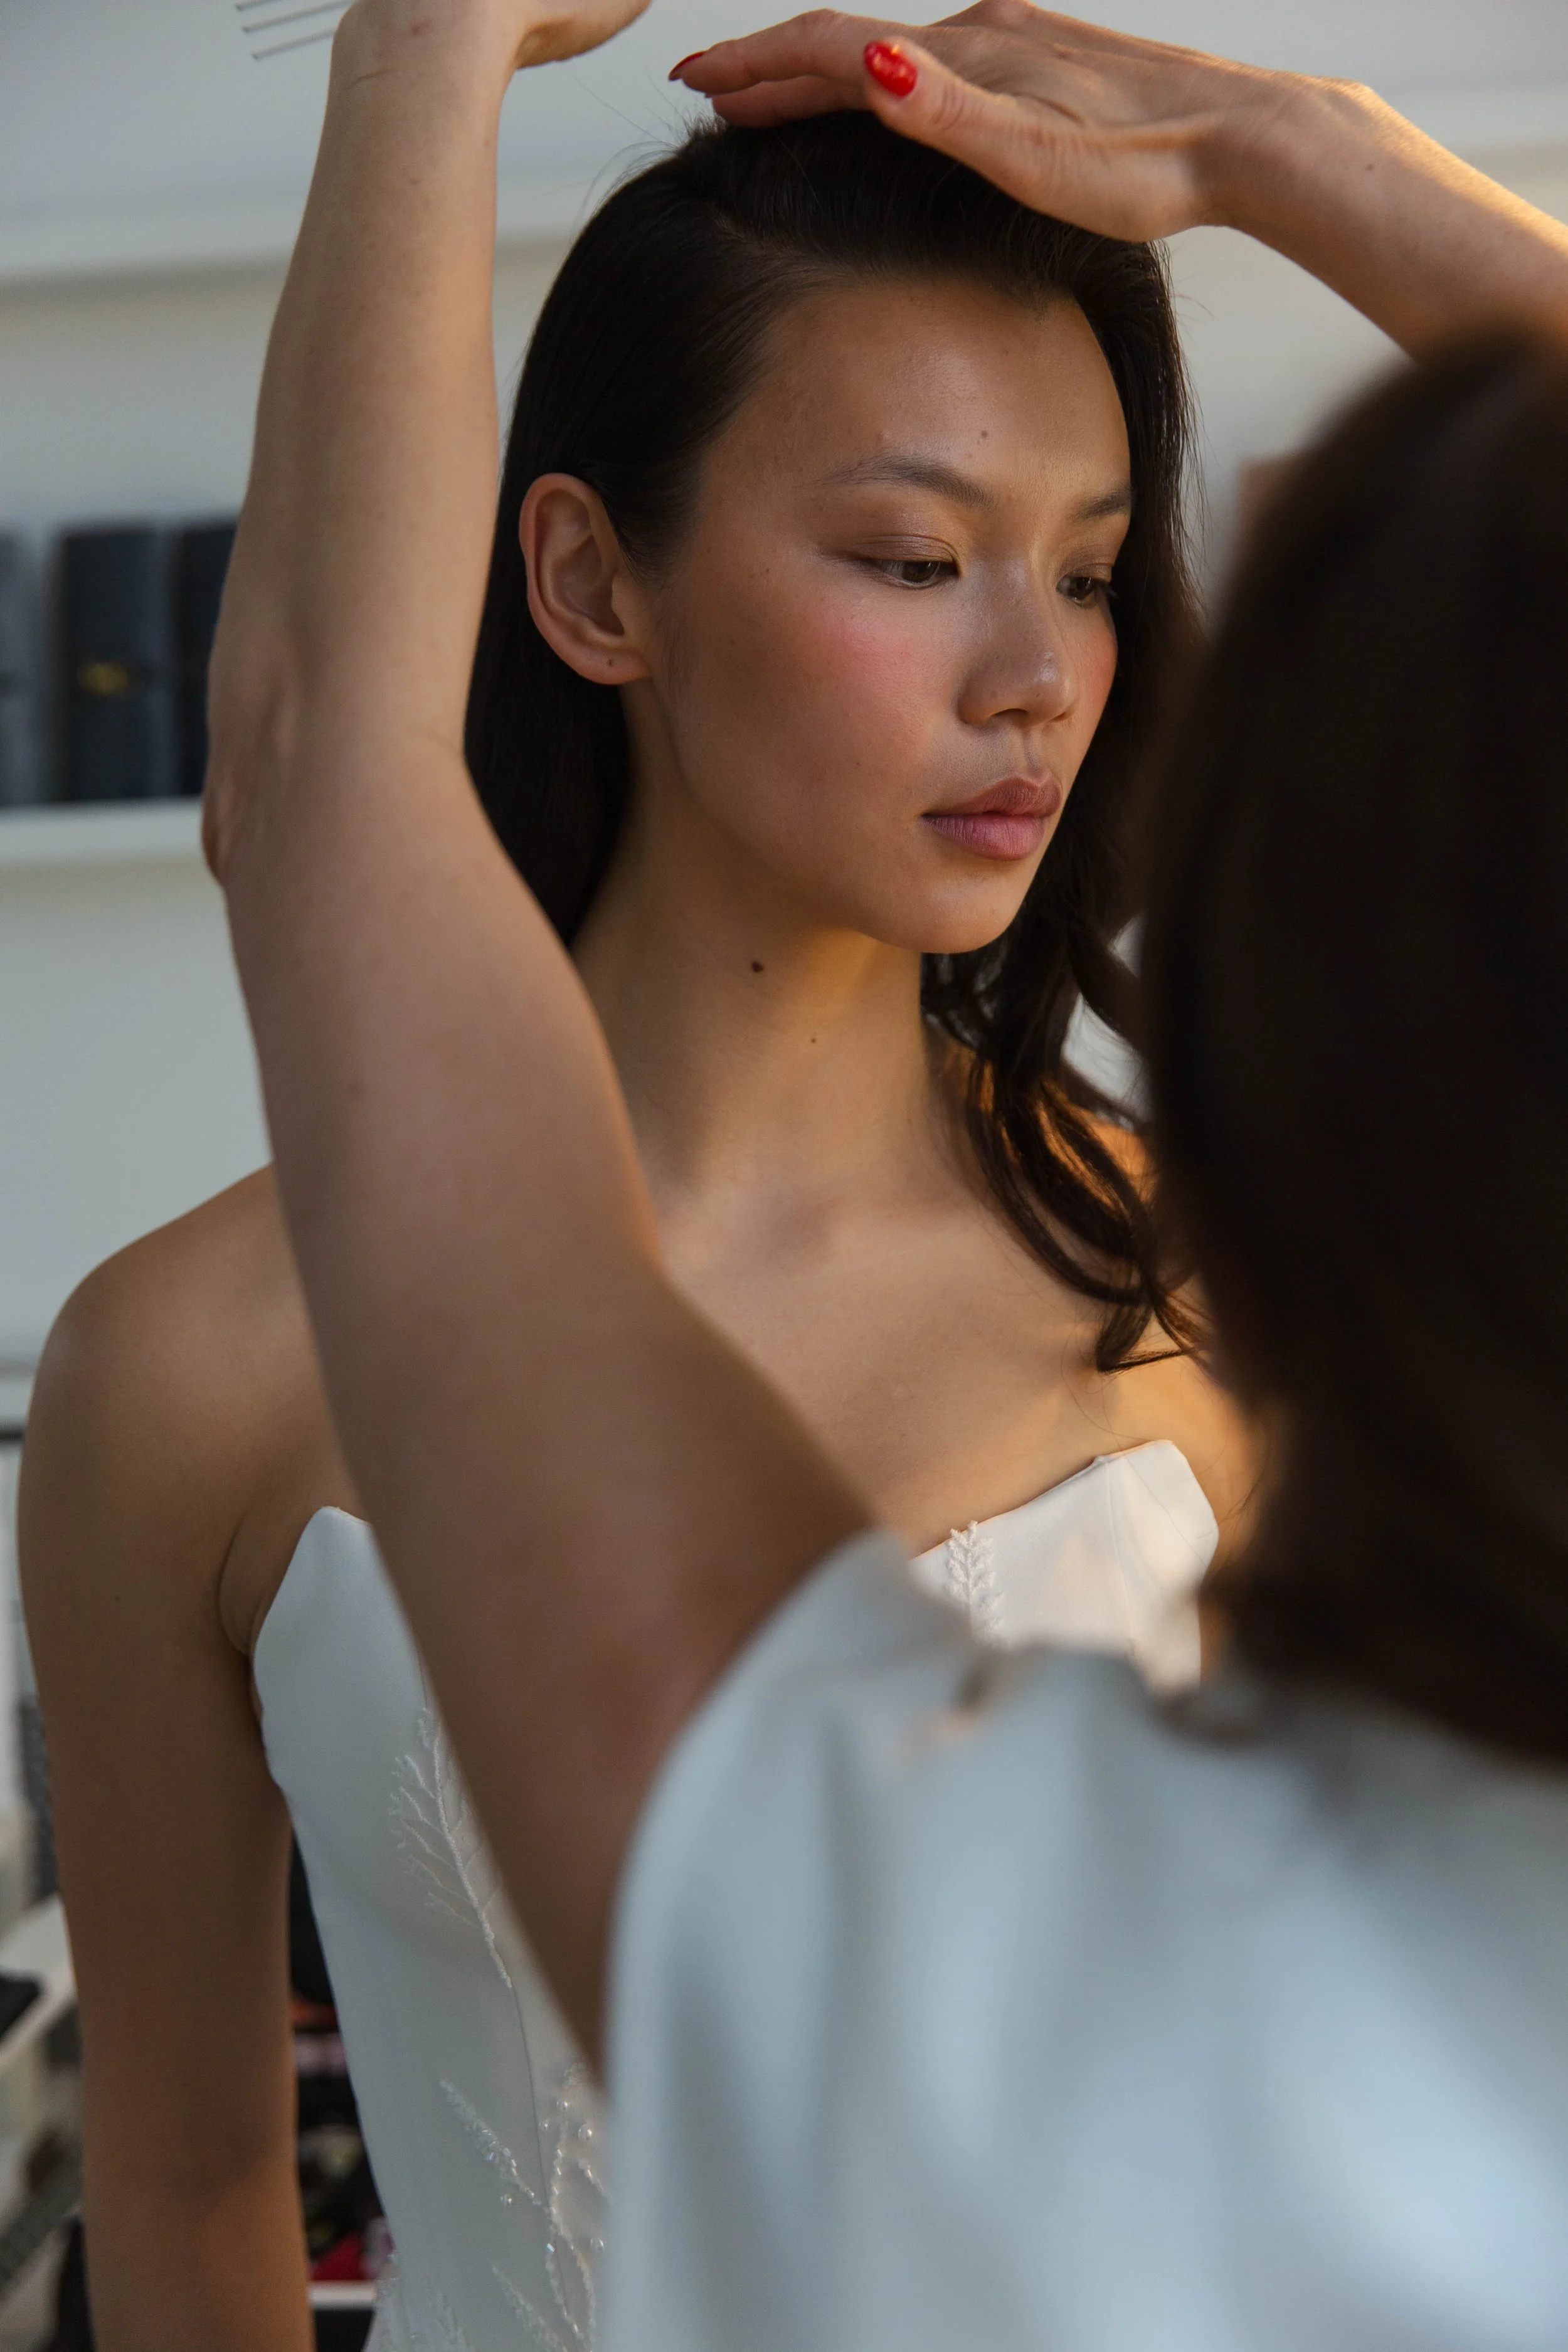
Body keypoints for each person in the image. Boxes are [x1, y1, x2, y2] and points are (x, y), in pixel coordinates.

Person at [24, 1, 1568, 2346]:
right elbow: (185, 2173)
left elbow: (325, 765)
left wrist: (421, 56)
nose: (1043, 675)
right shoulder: (188, 1370)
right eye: (911, 552)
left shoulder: (1207, 1309)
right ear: (589, 581)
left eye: (1088, 566)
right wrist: (1311, 155)